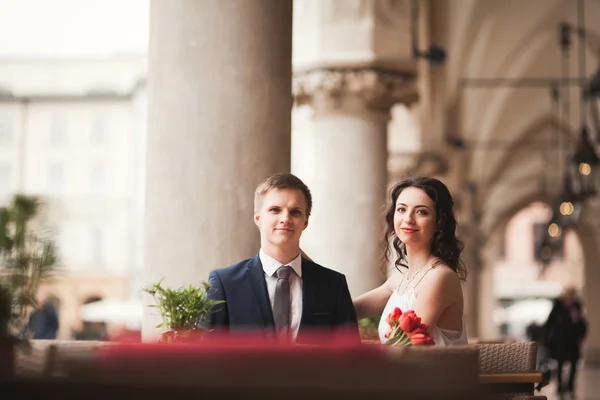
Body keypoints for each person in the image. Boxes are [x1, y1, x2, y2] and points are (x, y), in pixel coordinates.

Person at [205, 173, 359, 343]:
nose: (285, 219)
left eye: (295, 212)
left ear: (305, 222)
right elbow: (207, 355)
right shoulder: (225, 283)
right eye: (275, 210)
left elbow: (350, 359)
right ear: (258, 218)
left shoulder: (334, 285)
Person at [353, 177, 468, 345]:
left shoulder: (440, 278)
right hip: (400, 370)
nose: (408, 219)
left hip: (429, 371)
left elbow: (405, 345)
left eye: (421, 212)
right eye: (401, 209)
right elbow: (347, 309)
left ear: (439, 223)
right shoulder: (401, 280)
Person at [543, 285, 587, 396]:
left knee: (573, 362)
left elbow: (581, 323)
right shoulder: (558, 307)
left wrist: (581, 335)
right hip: (560, 340)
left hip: (572, 340)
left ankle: (570, 385)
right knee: (560, 363)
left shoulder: (576, 307)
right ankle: (559, 386)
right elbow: (549, 323)